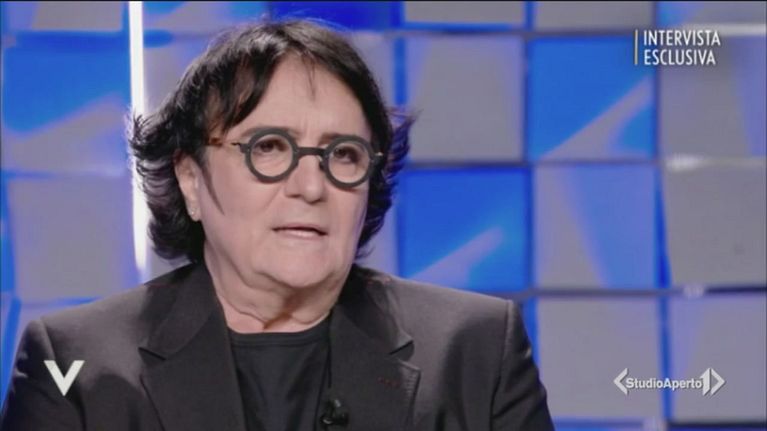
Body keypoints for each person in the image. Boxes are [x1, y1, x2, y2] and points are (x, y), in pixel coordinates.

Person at [0, 19, 554, 431]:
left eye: (343, 154)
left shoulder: (477, 350)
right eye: (269, 147)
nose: (311, 186)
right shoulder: (75, 364)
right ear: (191, 179)